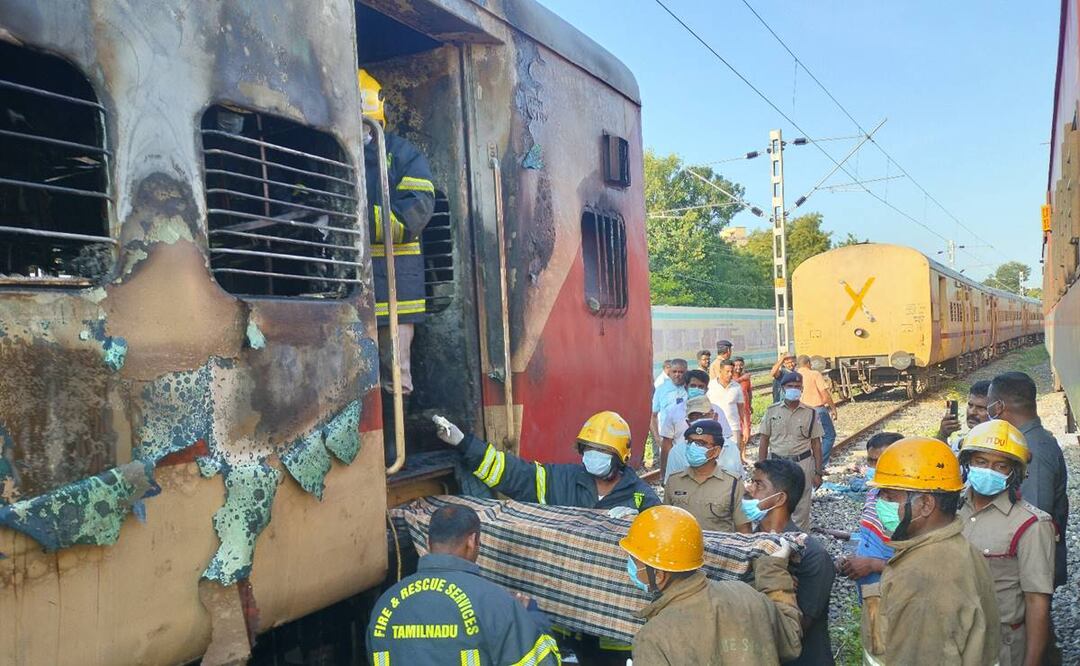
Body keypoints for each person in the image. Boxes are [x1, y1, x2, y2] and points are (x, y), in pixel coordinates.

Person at [434, 410, 658, 664]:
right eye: (589, 449)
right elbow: (513, 474)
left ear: (620, 457)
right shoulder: (560, 479)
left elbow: (662, 548)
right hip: (564, 620)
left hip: (611, 632)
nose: (593, 456)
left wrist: (641, 522)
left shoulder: (642, 497)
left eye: (602, 451)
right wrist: (465, 444)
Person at [862, 437, 1000, 665]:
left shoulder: (922, 577)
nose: (880, 503)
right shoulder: (957, 548)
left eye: (889, 496)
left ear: (926, 504)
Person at [367, 504, 560, 665]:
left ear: (428, 542)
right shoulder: (495, 604)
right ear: (472, 541)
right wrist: (531, 617)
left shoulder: (386, 605)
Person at [620, 505, 803, 665]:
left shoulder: (653, 637)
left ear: (659, 575)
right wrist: (774, 570)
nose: (631, 566)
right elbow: (792, 642)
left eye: (635, 561)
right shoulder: (745, 593)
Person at [359, 69, 435, 423]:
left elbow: (413, 214)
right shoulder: (332, 154)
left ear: (376, 119)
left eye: (364, 124)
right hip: (349, 289)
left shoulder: (404, 156)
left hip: (396, 291)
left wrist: (353, 220)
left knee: (395, 370)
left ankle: (394, 445)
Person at [958, 420, 1056, 666]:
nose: (989, 470)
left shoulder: (1031, 525)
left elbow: (1037, 602)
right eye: (981, 462)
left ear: (1014, 473)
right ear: (967, 463)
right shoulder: (950, 510)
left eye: (1000, 466)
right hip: (950, 640)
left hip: (1000, 646)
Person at [747, 458, 835, 665]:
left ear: (780, 499)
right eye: (751, 482)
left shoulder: (812, 556)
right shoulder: (749, 542)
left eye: (759, 484)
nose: (750, 490)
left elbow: (796, 630)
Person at [987, 371, 1069, 588]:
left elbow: (1034, 521)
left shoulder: (1033, 452)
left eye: (988, 406)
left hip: (1027, 573)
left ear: (998, 407)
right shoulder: (1026, 443)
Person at [836, 433, 904, 602]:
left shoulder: (908, 507)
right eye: (871, 461)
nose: (874, 467)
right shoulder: (873, 493)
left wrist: (873, 565)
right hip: (870, 595)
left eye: (880, 461)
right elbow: (868, 538)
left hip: (893, 597)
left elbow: (914, 565)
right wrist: (850, 558)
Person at [757, 372, 823, 531]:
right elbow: (764, 440)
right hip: (778, 465)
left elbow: (816, 444)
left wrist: (818, 472)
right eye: (790, 386)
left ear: (802, 389)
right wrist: (760, 468)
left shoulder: (811, 413)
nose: (794, 389)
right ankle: (776, 540)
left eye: (797, 387)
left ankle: (799, 545)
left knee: (801, 507)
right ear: (783, 388)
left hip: (802, 464)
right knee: (776, 503)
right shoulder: (772, 411)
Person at [664, 419, 751, 533]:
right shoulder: (674, 481)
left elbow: (744, 530)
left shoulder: (732, 483)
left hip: (719, 549)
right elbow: (665, 523)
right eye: (690, 442)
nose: (693, 447)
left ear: (716, 451)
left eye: (701, 443)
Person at [658, 373, 732, 482]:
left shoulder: (717, 411)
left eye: (701, 387)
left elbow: (725, 442)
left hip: (711, 467)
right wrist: (663, 472)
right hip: (681, 465)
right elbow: (666, 444)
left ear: (706, 389)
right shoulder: (674, 412)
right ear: (685, 387)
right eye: (693, 386)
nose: (696, 389)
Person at [796, 355, 838, 468]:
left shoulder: (795, 375)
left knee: (808, 438)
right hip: (817, 410)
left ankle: (806, 463)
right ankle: (819, 463)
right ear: (809, 363)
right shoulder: (814, 374)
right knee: (829, 435)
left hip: (801, 410)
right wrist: (833, 408)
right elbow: (825, 394)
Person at [936, 380, 991, 453]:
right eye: (970, 405)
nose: (972, 412)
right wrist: (943, 435)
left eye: (981, 408)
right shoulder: (961, 441)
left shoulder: (994, 446)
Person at [707, 359, 746, 460]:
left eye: (732, 372)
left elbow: (741, 409)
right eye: (727, 371)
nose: (730, 374)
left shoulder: (736, 387)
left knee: (733, 457)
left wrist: (745, 427)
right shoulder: (710, 386)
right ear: (720, 371)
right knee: (716, 457)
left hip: (733, 428)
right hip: (715, 428)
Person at [650, 358, 688, 452]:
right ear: (669, 372)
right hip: (666, 438)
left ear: (686, 372)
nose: (677, 375)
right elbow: (653, 416)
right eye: (674, 371)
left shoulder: (691, 388)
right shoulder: (661, 389)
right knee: (667, 465)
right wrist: (657, 438)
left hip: (687, 438)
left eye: (681, 372)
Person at [733, 357, 754, 444]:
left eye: (741, 365)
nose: (739, 367)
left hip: (745, 408)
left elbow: (749, 392)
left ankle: (743, 454)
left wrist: (750, 405)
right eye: (736, 365)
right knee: (737, 430)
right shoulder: (731, 377)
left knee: (746, 430)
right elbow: (731, 384)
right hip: (735, 409)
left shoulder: (746, 378)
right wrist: (742, 379)